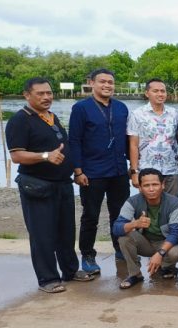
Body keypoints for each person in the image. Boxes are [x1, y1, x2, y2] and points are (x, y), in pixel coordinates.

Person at [7, 77, 95, 293]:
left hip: (62, 184)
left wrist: (76, 171)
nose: (46, 97)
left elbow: (64, 148)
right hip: (37, 186)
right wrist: (45, 156)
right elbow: (17, 156)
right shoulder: (20, 120)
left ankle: (70, 271)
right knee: (42, 234)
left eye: (49, 93)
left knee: (66, 231)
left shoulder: (51, 117)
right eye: (40, 94)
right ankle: (47, 278)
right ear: (27, 95)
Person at [69, 68, 130, 273]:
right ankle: (87, 254)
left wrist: (134, 167)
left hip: (118, 169)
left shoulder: (121, 108)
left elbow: (128, 139)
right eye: (102, 81)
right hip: (92, 171)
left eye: (110, 82)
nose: (107, 86)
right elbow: (74, 141)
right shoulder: (81, 108)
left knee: (120, 214)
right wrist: (78, 171)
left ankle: (120, 248)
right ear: (91, 83)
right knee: (90, 216)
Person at [112, 168, 178, 289]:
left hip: (165, 243)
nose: (151, 189)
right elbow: (116, 228)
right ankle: (135, 274)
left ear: (163, 185)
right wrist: (134, 224)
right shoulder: (132, 201)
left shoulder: (173, 203)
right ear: (140, 187)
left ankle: (166, 267)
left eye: (155, 184)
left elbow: (175, 233)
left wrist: (160, 254)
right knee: (124, 236)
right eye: (146, 185)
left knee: (176, 252)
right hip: (145, 243)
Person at [127, 78, 178, 197]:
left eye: (163, 91)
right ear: (147, 93)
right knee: (148, 208)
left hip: (171, 169)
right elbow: (133, 145)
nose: (160, 94)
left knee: (171, 207)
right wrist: (134, 171)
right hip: (147, 170)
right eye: (155, 91)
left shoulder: (175, 114)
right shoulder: (137, 114)